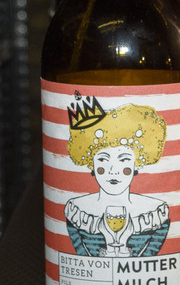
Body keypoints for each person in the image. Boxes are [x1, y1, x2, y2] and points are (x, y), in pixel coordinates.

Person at [63, 98, 170, 257]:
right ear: (92, 165)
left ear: (136, 166)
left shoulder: (156, 211)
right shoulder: (76, 210)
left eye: (124, 160)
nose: (113, 171)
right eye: (103, 160)